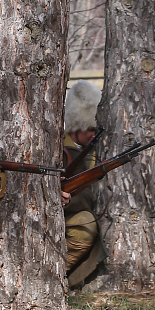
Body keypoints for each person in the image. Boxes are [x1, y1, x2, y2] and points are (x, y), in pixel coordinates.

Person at [62, 80, 102, 282]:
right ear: (76, 125)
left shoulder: (97, 151)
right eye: (90, 128)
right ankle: (56, 278)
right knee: (84, 224)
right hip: (63, 219)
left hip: (81, 212)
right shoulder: (58, 150)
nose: (94, 134)